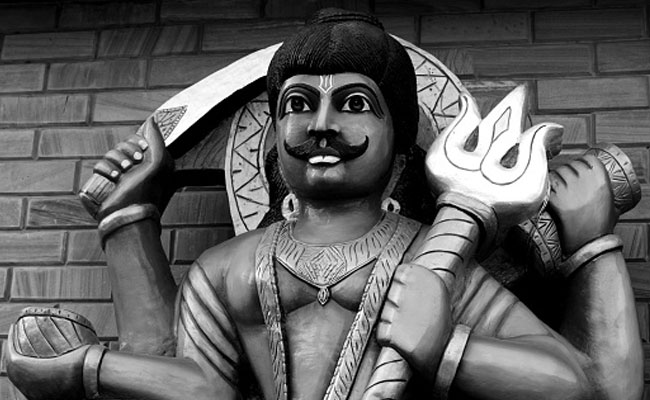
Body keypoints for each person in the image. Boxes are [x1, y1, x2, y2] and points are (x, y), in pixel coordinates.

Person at [5, 8, 643, 400]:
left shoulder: (434, 259)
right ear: (271, 143)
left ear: (401, 148)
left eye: (355, 104)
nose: (321, 125)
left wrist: (446, 346)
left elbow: (573, 382)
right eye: (298, 104)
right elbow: (198, 388)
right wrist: (87, 362)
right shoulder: (225, 268)